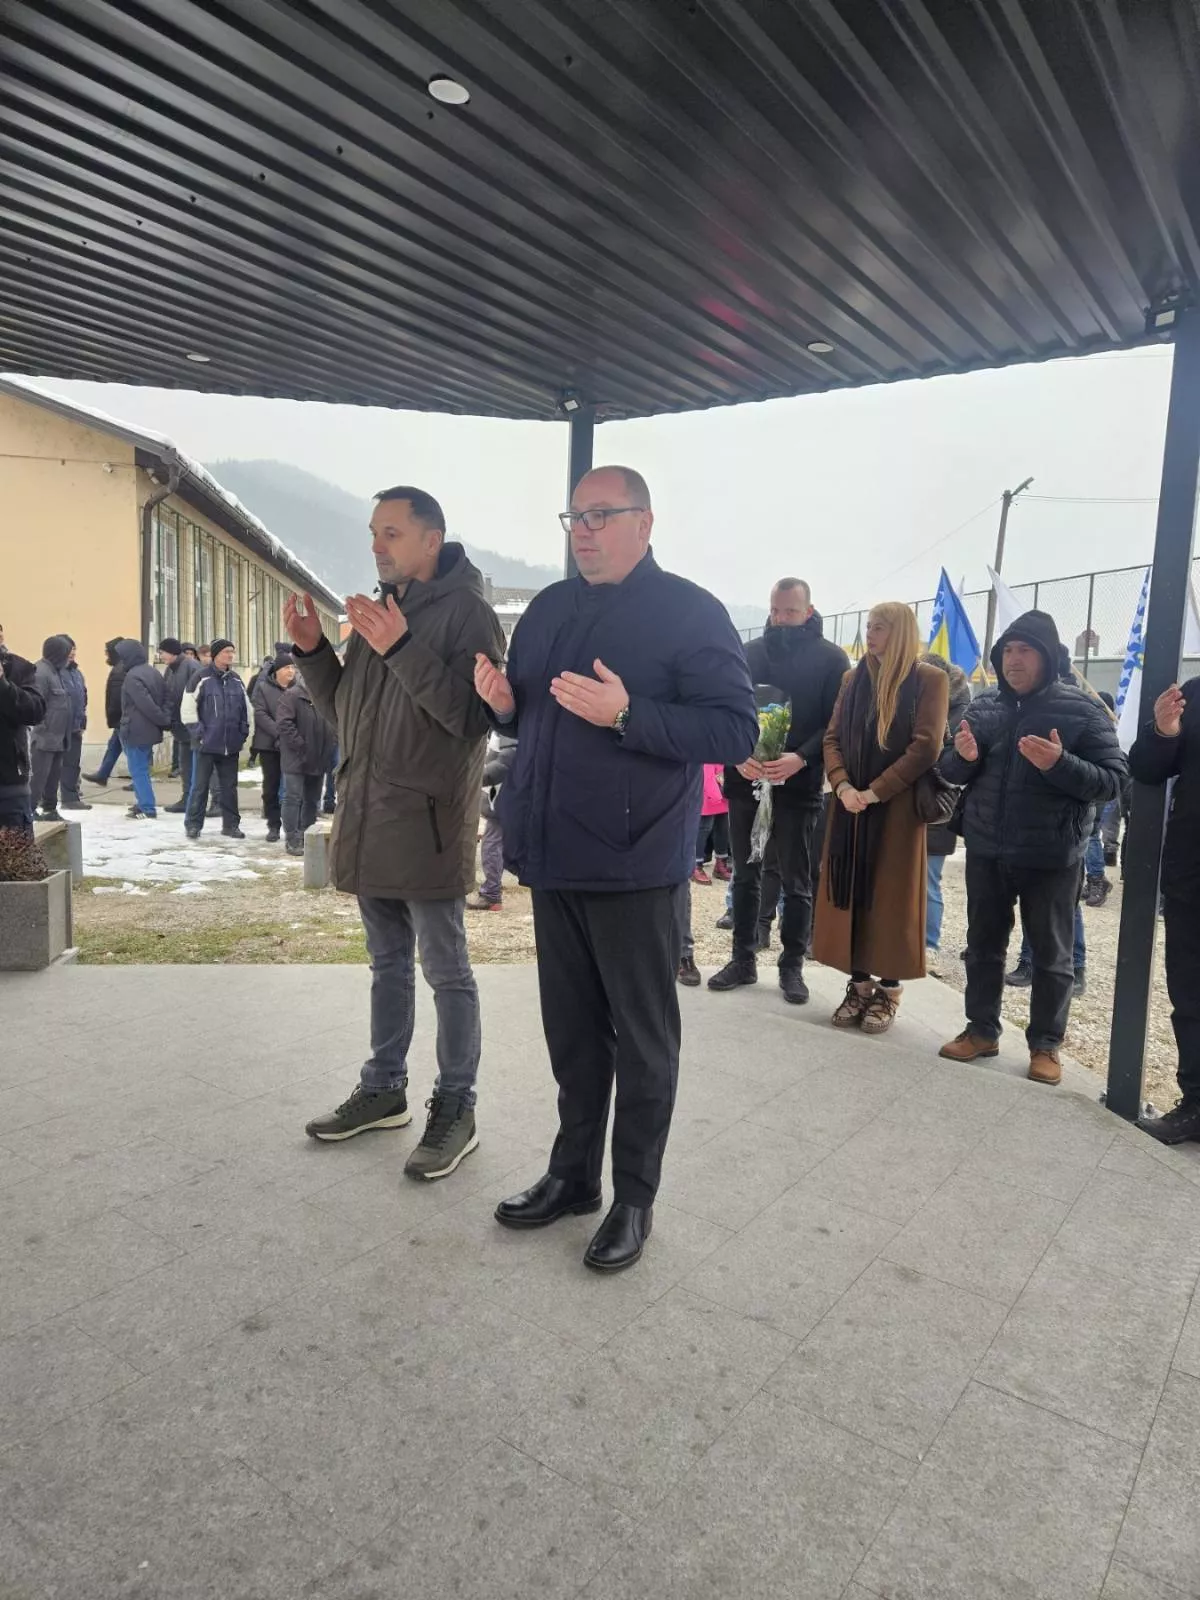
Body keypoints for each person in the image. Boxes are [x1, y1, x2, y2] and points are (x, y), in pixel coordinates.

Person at [477, 465, 757, 1271]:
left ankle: (634, 1196)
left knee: (642, 1040)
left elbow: (734, 732)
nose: (586, 530)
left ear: (646, 522)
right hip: (554, 855)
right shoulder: (549, 609)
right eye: (576, 516)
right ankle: (573, 1176)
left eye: (603, 514)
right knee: (572, 1035)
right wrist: (503, 705)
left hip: (635, 863)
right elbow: (531, 721)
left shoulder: (688, 612)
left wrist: (630, 713)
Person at [287, 484, 505, 1181]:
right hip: (369, 815)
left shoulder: (468, 613)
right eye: (373, 532)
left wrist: (402, 647)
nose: (376, 546)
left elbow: (470, 721)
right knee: (386, 964)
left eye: (391, 533)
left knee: (446, 971)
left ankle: (457, 1106)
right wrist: (315, 652)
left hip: (429, 824)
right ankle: (384, 1089)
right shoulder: (384, 611)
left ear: (430, 541)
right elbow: (345, 713)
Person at [937, 610, 1126, 1084]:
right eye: (1007, 651)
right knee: (982, 946)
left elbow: (1113, 782)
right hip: (987, 849)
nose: (1013, 660)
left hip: (1051, 855)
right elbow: (949, 768)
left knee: (1051, 955)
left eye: (1024, 650)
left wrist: (1060, 763)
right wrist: (962, 758)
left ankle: (1046, 1045)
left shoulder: (1082, 710)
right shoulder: (984, 706)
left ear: (1046, 656)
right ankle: (981, 1030)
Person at [709, 580, 850, 1005]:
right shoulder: (748, 653)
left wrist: (801, 758)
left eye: (790, 611)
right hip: (745, 782)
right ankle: (743, 958)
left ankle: (792, 966)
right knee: (745, 873)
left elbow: (835, 723)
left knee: (797, 879)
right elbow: (726, 710)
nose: (781, 618)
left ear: (809, 610)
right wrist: (737, 755)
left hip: (798, 784)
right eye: (775, 610)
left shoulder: (832, 659)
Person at [813, 603, 948, 1034]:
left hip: (896, 811)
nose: (870, 634)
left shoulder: (929, 679)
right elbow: (832, 738)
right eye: (869, 626)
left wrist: (875, 791)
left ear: (901, 632)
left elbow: (926, 746)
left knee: (891, 898)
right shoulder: (852, 680)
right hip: (851, 806)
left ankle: (889, 990)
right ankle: (858, 985)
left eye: (880, 627)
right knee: (850, 890)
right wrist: (843, 786)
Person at [1130, 679, 1200, 1141]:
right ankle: (1196, 1103)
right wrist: (1164, 730)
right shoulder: (1194, 694)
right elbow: (1146, 768)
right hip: (1191, 873)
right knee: (1191, 995)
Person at [920, 653, 970, 975]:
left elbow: (955, 766)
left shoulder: (961, 714)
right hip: (908, 800)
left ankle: (930, 946)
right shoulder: (915, 703)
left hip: (938, 806)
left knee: (928, 880)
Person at [184, 639, 249, 839]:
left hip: (231, 745)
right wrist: (200, 734)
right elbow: (187, 709)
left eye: (232, 651)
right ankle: (193, 825)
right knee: (200, 786)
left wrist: (242, 733)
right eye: (226, 651)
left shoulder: (236, 680)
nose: (230, 655)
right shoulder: (200, 677)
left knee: (229, 788)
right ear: (215, 655)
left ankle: (231, 825)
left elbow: (246, 710)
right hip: (206, 744)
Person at [276, 663, 335, 856]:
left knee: (312, 800)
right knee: (293, 798)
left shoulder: (324, 696)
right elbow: (284, 724)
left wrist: (331, 743)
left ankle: (306, 836)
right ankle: (292, 839)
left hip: (319, 757)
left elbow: (333, 722)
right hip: (297, 758)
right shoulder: (292, 696)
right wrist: (301, 745)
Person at [117, 639, 171, 819]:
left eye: (122, 656)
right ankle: (143, 802)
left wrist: (161, 719)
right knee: (142, 769)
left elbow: (145, 704)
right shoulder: (153, 672)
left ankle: (147, 807)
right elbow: (166, 698)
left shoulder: (132, 677)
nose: (120, 661)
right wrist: (163, 719)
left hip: (136, 729)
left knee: (138, 770)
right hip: (149, 730)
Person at [0, 638, 45, 839]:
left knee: (16, 856)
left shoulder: (18, 668)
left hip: (8, 789)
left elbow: (34, 712)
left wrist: (3, 685)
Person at [467, 730, 517, 910]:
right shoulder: (500, 728)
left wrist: (474, 778)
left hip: (501, 795)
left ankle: (491, 894)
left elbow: (507, 760)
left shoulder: (507, 728)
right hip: (501, 794)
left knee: (492, 843)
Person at [30, 635, 74, 823]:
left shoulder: (56, 672)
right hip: (44, 736)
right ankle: (29, 810)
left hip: (59, 737)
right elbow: (35, 705)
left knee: (53, 777)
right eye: (66, 652)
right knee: (38, 777)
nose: (69, 656)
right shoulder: (41, 673)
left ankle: (49, 808)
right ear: (57, 653)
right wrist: (42, 730)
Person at [157, 638, 203, 814]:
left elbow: (201, 695)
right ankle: (187, 799)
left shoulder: (192, 667)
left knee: (199, 766)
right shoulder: (171, 669)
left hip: (194, 726)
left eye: (162, 652)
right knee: (186, 765)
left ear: (172, 652)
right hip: (180, 726)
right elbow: (168, 695)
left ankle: (200, 800)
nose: (160, 656)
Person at [250, 652, 292, 842]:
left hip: (292, 745)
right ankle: (273, 825)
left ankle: (294, 826)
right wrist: (279, 732)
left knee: (293, 788)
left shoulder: (298, 688)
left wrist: (292, 735)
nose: (291, 671)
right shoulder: (264, 688)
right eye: (287, 668)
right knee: (271, 787)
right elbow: (260, 713)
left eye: (293, 668)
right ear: (277, 671)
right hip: (268, 745)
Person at [83, 637, 130, 788]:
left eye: (107, 652)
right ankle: (102, 774)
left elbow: (116, 698)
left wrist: (115, 717)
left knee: (130, 750)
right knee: (114, 746)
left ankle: (139, 779)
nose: (106, 655)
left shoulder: (119, 671)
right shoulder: (122, 667)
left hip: (121, 718)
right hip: (122, 718)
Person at [57, 639, 90, 811]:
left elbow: (83, 698)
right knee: (50, 765)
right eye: (69, 649)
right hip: (58, 727)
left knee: (72, 764)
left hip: (75, 727)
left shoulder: (77, 673)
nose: (72, 652)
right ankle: (42, 798)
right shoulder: (54, 672)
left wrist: (82, 722)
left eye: (74, 649)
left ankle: (70, 798)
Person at [692, 764, 730, 885]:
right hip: (708, 793)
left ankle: (721, 864)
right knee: (703, 829)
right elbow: (706, 771)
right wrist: (714, 794)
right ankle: (695, 865)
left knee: (723, 829)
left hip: (723, 793)